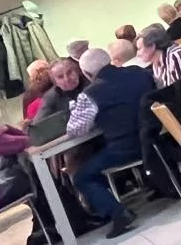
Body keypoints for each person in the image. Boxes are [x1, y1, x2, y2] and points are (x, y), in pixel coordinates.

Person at [66, 48, 147, 238]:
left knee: (82, 176)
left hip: (125, 148)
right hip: (155, 136)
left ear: (86, 73)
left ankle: (119, 214)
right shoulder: (137, 72)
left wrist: (75, 108)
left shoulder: (91, 93)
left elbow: (74, 129)